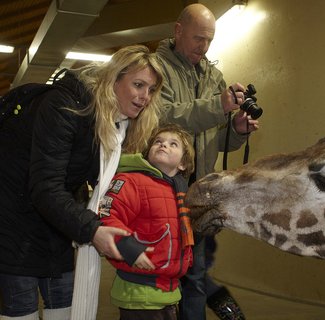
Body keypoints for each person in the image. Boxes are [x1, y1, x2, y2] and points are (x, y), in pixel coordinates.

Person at [0, 44, 163, 320]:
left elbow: (102, 189)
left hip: (56, 222)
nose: (145, 97)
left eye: (151, 90)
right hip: (13, 221)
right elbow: (45, 186)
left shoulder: (113, 126)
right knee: (22, 310)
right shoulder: (65, 107)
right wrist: (92, 231)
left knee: (65, 307)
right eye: (138, 85)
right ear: (114, 79)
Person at [155, 3, 260, 319]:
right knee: (159, 278)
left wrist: (238, 130)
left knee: (196, 279)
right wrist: (218, 105)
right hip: (162, 191)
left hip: (197, 196)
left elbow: (217, 138)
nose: (203, 47)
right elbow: (165, 119)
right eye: (197, 38)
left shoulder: (214, 75)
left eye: (209, 41)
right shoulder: (155, 68)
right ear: (178, 31)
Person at [99, 123, 195, 320]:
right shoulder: (132, 181)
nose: (163, 145)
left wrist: (187, 259)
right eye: (158, 142)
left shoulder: (181, 193)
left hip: (168, 293)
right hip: (137, 291)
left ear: (183, 164)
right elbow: (107, 214)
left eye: (173, 144)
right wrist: (129, 248)